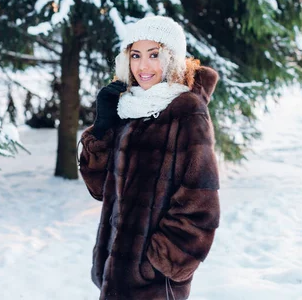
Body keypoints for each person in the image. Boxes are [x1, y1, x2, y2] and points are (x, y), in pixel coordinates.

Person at [78, 16, 221, 300]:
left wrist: (156, 263)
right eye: (136, 55)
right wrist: (104, 126)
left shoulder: (186, 111)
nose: (143, 66)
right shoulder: (128, 108)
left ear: (172, 59)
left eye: (154, 55)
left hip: (154, 286)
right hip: (114, 276)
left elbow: (201, 207)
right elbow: (99, 189)